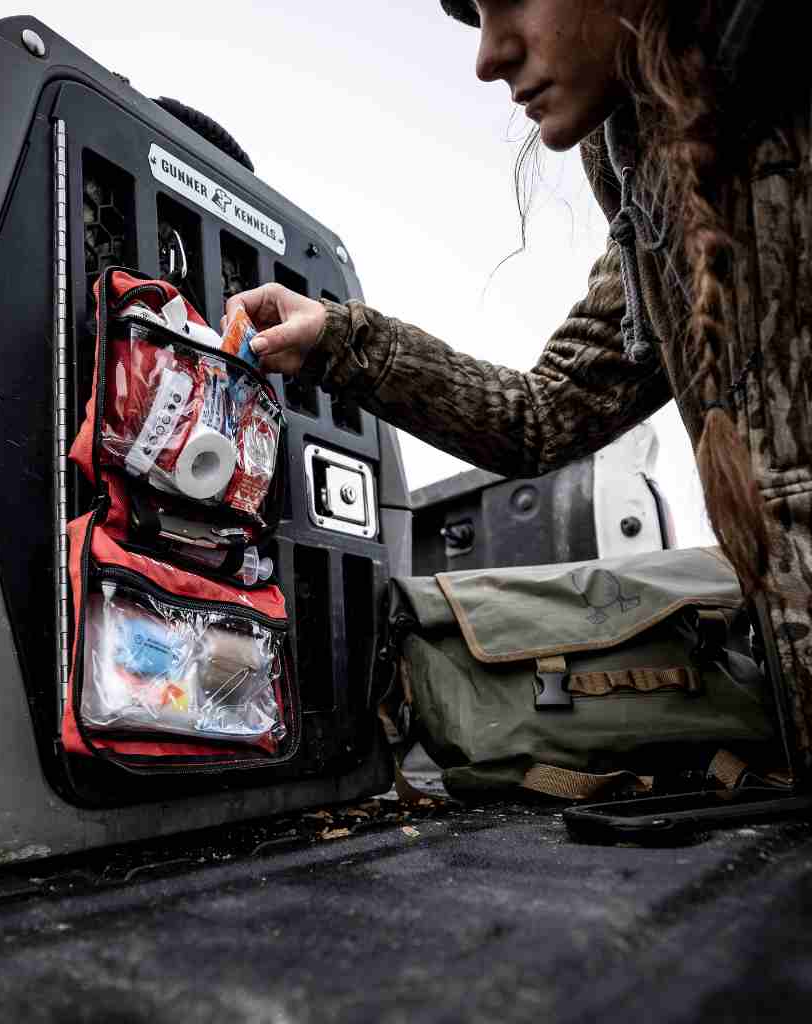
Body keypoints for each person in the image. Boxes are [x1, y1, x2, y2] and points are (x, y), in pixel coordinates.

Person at [222, 0, 812, 772]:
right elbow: (547, 412)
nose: (488, 57)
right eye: (476, 17)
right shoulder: (660, 209)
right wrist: (337, 339)